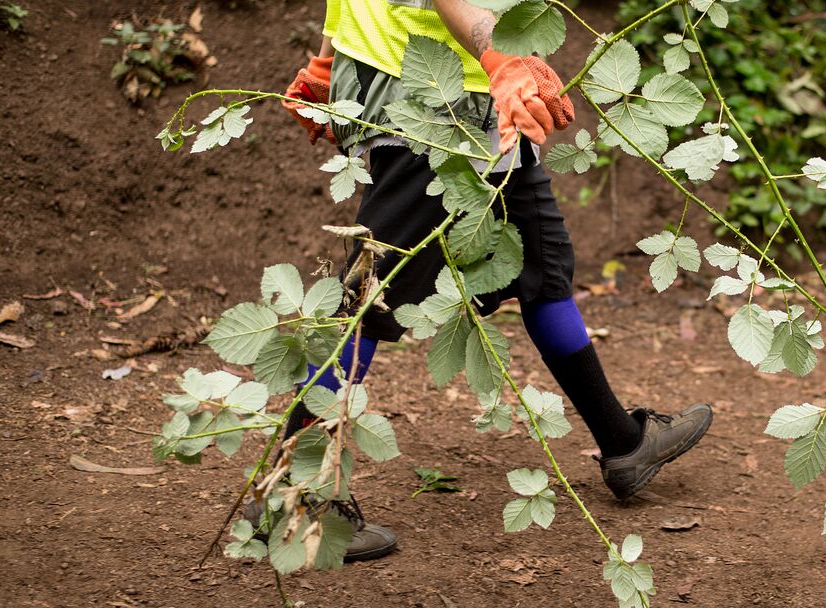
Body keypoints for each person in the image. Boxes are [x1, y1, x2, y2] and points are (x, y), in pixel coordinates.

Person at [277, 0, 713, 562]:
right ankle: (296, 502)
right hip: (435, 102)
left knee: (543, 268)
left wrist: (325, 62)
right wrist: (503, 60)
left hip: (467, 95)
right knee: (371, 297)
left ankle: (624, 444)